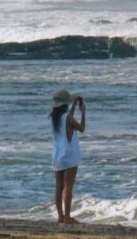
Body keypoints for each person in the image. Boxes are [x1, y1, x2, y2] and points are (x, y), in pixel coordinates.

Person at [50, 89, 86, 224]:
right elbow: (81, 128)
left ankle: (60, 216)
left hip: (57, 156)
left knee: (58, 186)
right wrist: (83, 112)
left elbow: (67, 120)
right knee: (68, 187)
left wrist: (74, 106)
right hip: (69, 156)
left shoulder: (54, 117)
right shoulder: (68, 118)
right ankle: (67, 217)